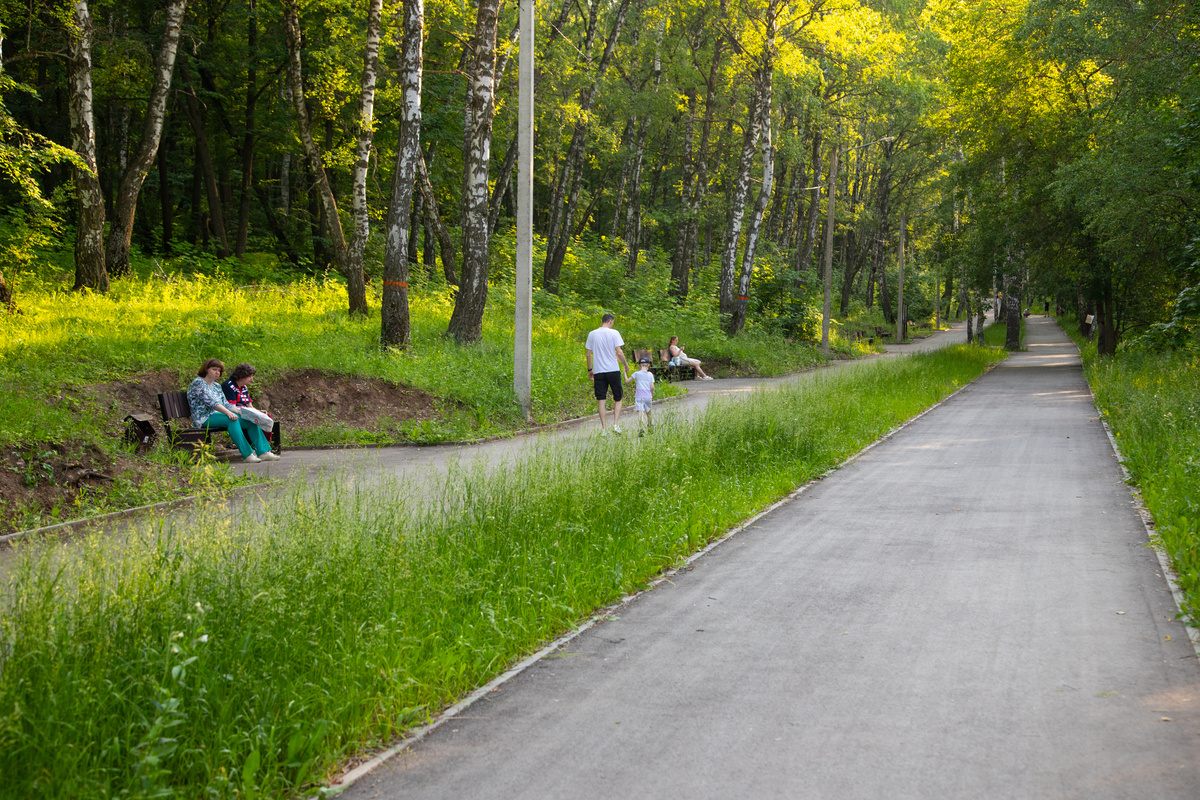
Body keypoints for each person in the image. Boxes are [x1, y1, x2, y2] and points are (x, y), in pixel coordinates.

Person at [186, 358, 279, 463]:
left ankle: (263, 452)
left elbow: (226, 403)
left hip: (218, 415)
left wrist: (241, 412)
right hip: (203, 417)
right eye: (214, 369)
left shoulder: (216, 386)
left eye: (219, 371)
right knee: (232, 419)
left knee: (248, 420)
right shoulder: (198, 383)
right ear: (206, 369)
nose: (217, 372)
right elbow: (212, 403)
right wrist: (228, 412)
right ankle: (247, 454)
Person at [585, 313, 631, 434]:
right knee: (618, 398)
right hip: (613, 370)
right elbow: (619, 353)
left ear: (602, 321)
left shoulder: (592, 334)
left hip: (599, 371)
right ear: (611, 322)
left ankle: (604, 429)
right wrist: (626, 366)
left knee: (601, 399)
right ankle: (615, 425)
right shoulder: (614, 333)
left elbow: (588, 354)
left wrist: (590, 370)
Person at [222, 362, 279, 451]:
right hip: (235, 412)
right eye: (250, 376)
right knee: (254, 420)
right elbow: (231, 406)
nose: (252, 379)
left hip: (245, 411)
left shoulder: (244, 387)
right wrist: (248, 412)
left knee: (266, 416)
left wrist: (257, 411)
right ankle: (256, 446)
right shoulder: (229, 385)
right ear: (242, 375)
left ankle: (265, 445)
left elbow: (249, 405)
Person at [626, 356, 655, 434]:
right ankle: (650, 426)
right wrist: (651, 394)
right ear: (648, 366)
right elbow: (652, 387)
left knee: (640, 412)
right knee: (649, 412)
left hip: (639, 396)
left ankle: (641, 428)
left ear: (639, 366)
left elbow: (627, 381)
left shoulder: (636, 374)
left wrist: (625, 373)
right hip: (648, 396)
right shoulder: (650, 374)